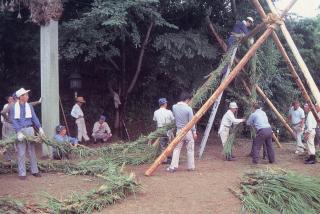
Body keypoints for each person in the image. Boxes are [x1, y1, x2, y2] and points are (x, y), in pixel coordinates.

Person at [9, 88, 44, 180]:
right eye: (26, 95)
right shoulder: (13, 107)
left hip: (29, 129)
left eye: (27, 95)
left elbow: (34, 117)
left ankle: (35, 171)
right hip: (20, 130)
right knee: (21, 152)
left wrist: (39, 128)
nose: (27, 96)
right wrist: (18, 132)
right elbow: (14, 120)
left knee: (32, 151)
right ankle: (22, 173)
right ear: (21, 97)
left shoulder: (29, 106)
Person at [167, 92, 197, 173]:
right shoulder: (188, 109)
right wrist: (194, 132)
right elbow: (192, 122)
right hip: (188, 131)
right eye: (189, 100)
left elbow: (174, 117)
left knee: (177, 148)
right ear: (187, 99)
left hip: (179, 131)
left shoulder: (174, 107)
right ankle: (191, 167)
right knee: (190, 149)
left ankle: (173, 167)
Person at [153, 98, 175, 164]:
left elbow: (155, 121)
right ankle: (170, 158)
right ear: (165, 104)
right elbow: (173, 121)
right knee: (170, 144)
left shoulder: (156, 112)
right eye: (166, 103)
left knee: (163, 145)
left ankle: (164, 159)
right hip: (168, 130)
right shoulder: (169, 112)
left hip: (160, 130)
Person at [1, 96, 15, 161]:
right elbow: (3, 113)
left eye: (12, 99)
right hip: (5, 124)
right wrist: (5, 120)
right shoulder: (6, 105)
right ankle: (6, 156)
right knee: (5, 140)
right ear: (8, 100)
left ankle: (10, 157)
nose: (11, 100)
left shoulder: (14, 105)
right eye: (10, 99)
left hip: (11, 125)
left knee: (11, 140)